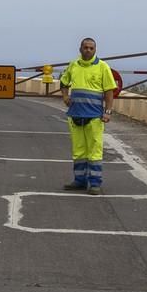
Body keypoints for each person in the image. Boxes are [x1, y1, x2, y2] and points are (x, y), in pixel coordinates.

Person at [60, 37, 117, 195]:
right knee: (79, 151)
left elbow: (109, 91)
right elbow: (63, 82)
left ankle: (95, 183)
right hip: (75, 115)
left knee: (94, 151)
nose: (88, 50)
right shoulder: (73, 65)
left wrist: (108, 112)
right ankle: (79, 181)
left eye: (91, 48)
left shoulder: (102, 67)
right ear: (80, 49)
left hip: (94, 117)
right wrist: (65, 97)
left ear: (95, 50)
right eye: (85, 47)